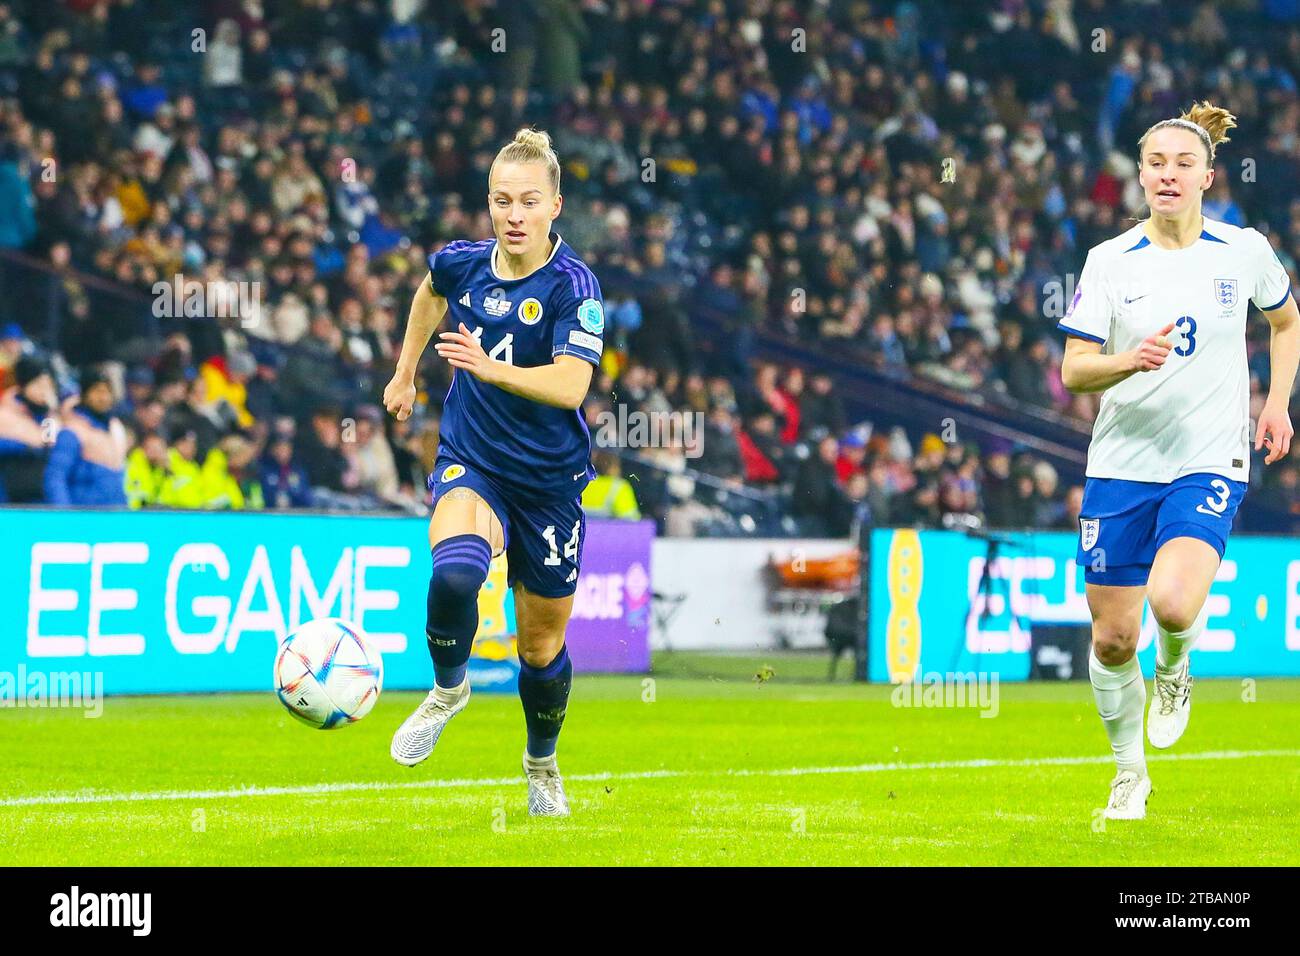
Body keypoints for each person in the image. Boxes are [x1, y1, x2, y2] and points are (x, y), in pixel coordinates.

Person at [1058, 102, 1298, 820]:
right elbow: (1073, 371)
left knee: (1171, 604)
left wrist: (1278, 402)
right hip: (1121, 464)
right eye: (1157, 163)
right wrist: (1127, 361)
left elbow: (1286, 321)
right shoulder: (1108, 262)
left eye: (1183, 163)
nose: (1169, 173)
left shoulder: (1245, 250)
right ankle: (1129, 774)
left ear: (1207, 176)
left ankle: (1174, 668)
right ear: (1140, 176)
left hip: (1209, 458)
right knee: (1110, 638)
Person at [382, 127, 604, 816]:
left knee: (539, 649)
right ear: (488, 204)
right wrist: (405, 371)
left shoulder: (574, 286)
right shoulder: (461, 264)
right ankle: (449, 688)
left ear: (555, 206)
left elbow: (571, 387)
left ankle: (541, 764)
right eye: (502, 200)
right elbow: (427, 293)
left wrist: (489, 368)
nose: (514, 214)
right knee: (453, 573)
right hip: (472, 460)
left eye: (528, 201)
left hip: (548, 483)